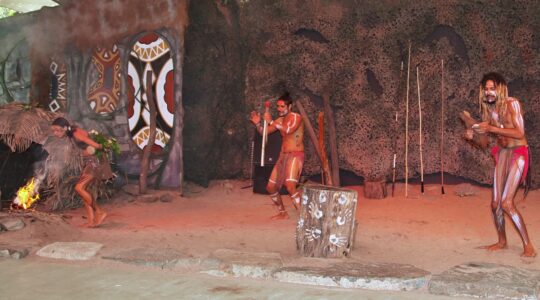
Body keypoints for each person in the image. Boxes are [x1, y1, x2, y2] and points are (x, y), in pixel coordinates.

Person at [464, 72, 535, 257]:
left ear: (501, 89)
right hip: (503, 154)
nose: (489, 92)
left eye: (492, 88)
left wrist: (490, 128)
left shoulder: (512, 104)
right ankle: (502, 241)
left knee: (507, 203)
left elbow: (519, 133)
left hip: (518, 153)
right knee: (495, 204)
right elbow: (484, 143)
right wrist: (471, 137)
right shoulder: (490, 110)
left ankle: (529, 246)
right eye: (486, 89)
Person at [250, 93, 304, 219]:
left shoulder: (296, 117)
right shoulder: (279, 120)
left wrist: (271, 121)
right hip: (283, 156)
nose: (279, 109)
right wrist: (258, 124)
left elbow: (288, 130)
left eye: (282, 106)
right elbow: (264, 133)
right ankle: (282, 212)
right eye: (278, 106)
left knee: (290, 186)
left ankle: (303, 217)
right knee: (270, 187)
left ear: (289, 106)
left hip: (295, 155)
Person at [51, 117, 107, 228]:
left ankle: (100, 212)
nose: (55, 133)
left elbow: (95, 145)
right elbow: (86, 144)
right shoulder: (72, 134)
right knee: (84, 192)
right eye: (54, 130)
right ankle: (91, 221)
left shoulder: (76, 133)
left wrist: (98, 148)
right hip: (90, 163)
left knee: (79, 188)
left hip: (94, 163)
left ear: (65, 128)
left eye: (57, 130)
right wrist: (84, 153)